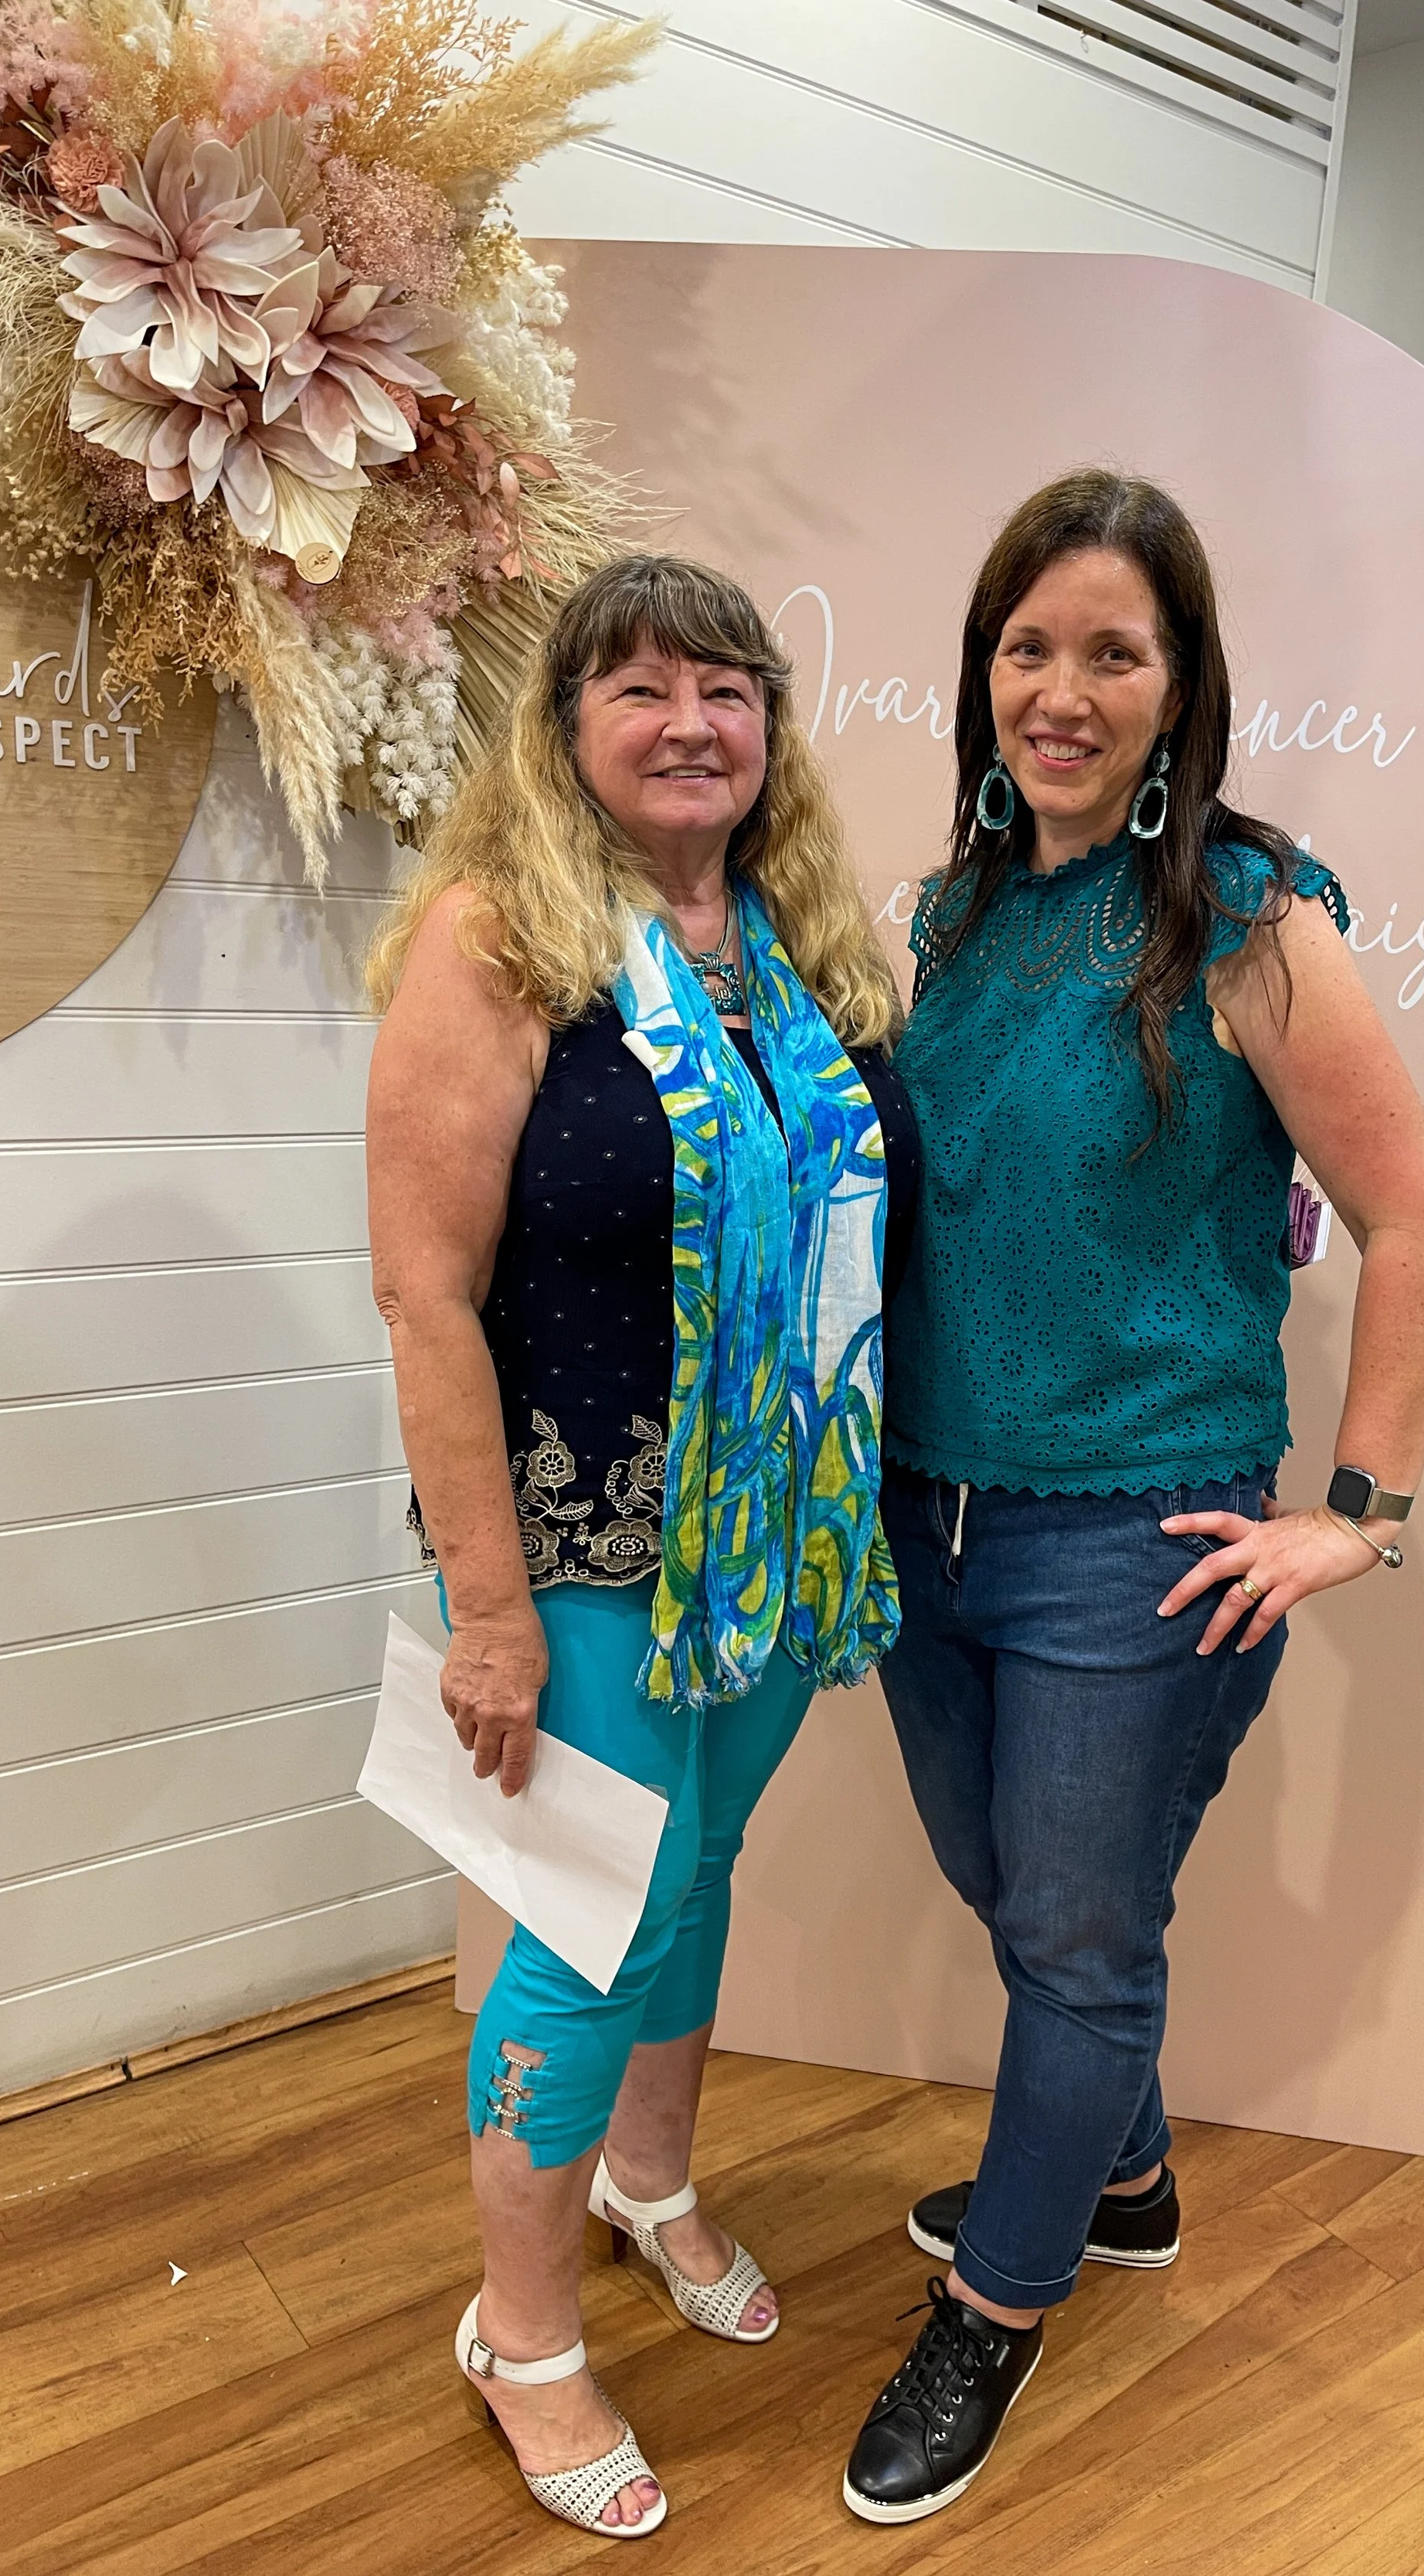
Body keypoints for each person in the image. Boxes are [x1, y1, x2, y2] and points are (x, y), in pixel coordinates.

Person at [841, 470, 1424, 2524]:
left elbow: (1414, 1222)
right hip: (928, 1517)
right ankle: (1118, 2173)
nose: (1061, 686)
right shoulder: (955, 913)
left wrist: (1356, 1513)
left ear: (1180, 681)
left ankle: (1000, 2310)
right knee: (1008, 1887)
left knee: (1082, 1939)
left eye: (1112, 648)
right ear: (982, 673)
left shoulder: (1248, 915)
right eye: (1028, 645)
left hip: (1142, 1528)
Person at [365, 553, 916, 2539]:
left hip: (776, 1538)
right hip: (581, 1544)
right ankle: (518, 2335)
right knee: (583, 1939)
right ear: (567, 729)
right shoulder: (502, 940)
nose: (690, 721)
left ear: (769, 728)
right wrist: (488, 1610)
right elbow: (427, 1293)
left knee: (696, 1879)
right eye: (640, 689)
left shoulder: (800, 953)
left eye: (726, 687)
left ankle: (648, 2183)